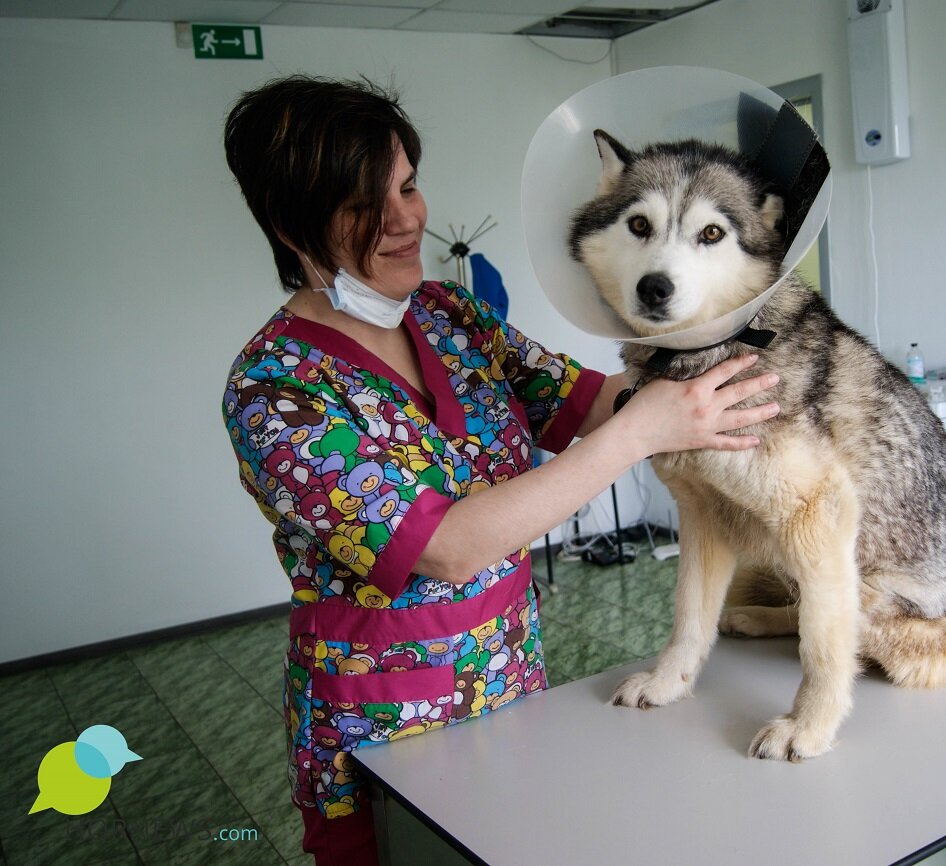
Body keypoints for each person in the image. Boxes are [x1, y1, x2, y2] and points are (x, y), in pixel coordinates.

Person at [220, 75, 779, 865]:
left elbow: (592, 405)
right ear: (289, 224)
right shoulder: (277, 390)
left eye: (408, 187)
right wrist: (641, 432)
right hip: (379, 729)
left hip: (509, 684)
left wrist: (711, 323)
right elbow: (445, 548)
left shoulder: (450, 317)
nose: (407, 219)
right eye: (361, 207)